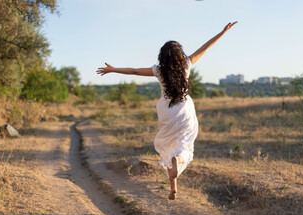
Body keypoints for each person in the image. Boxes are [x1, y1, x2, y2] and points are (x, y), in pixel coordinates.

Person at [97, 22, 237, 200]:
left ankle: (173, 188)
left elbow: (133, 71)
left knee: (168, 146)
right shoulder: (186, 64)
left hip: (167, 112)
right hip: (184, 110)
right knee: (184, 143)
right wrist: (222, 32)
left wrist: (113, 69)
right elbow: (206, 47)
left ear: (162, 56)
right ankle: (178, 161)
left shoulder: (159, 71)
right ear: (180, 55)